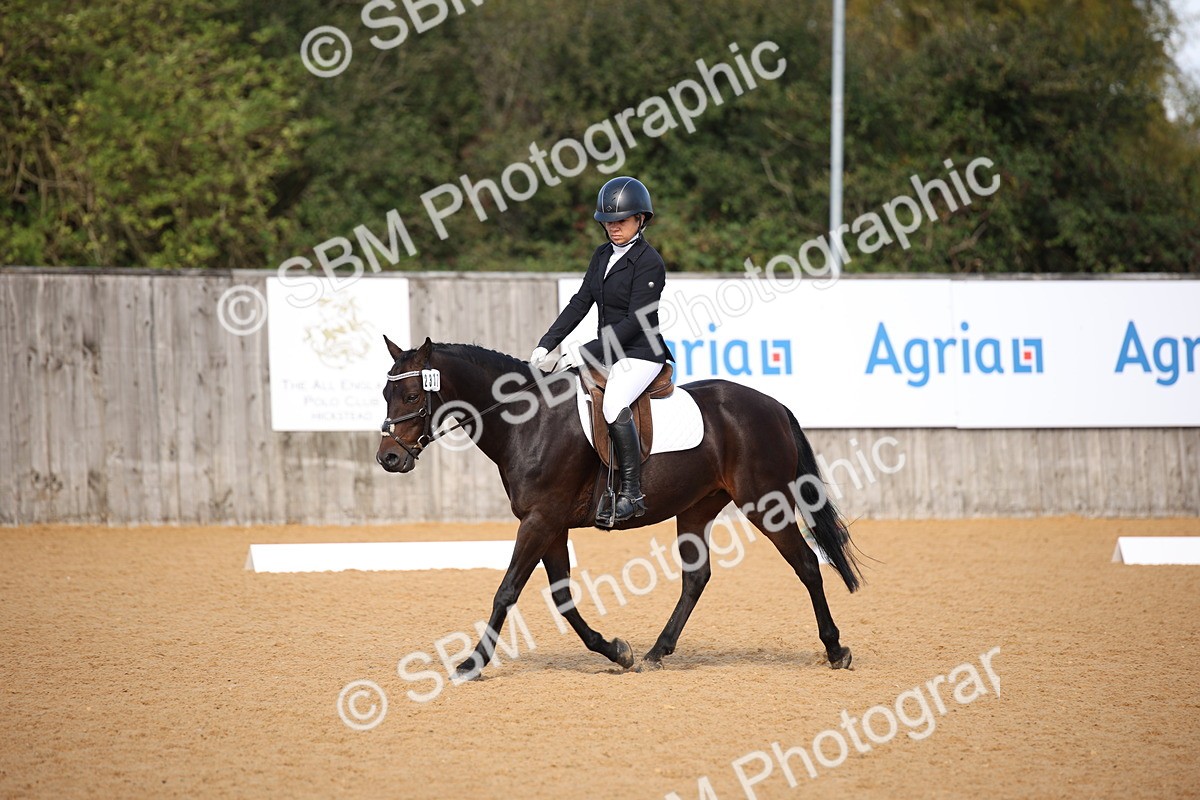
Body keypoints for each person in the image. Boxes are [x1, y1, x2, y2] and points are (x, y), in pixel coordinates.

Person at [529, 176, 671, 527]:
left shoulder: (649, 262)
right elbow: (581, 302)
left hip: (641, 353)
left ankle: (632, 493)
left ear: (641, 219)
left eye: (620, 221)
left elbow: (636, 322)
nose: (613, 228)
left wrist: (586, 352)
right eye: (607, 222)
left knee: (613, 403)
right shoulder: (602, 255)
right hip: (609, 353)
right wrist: (547, 342)